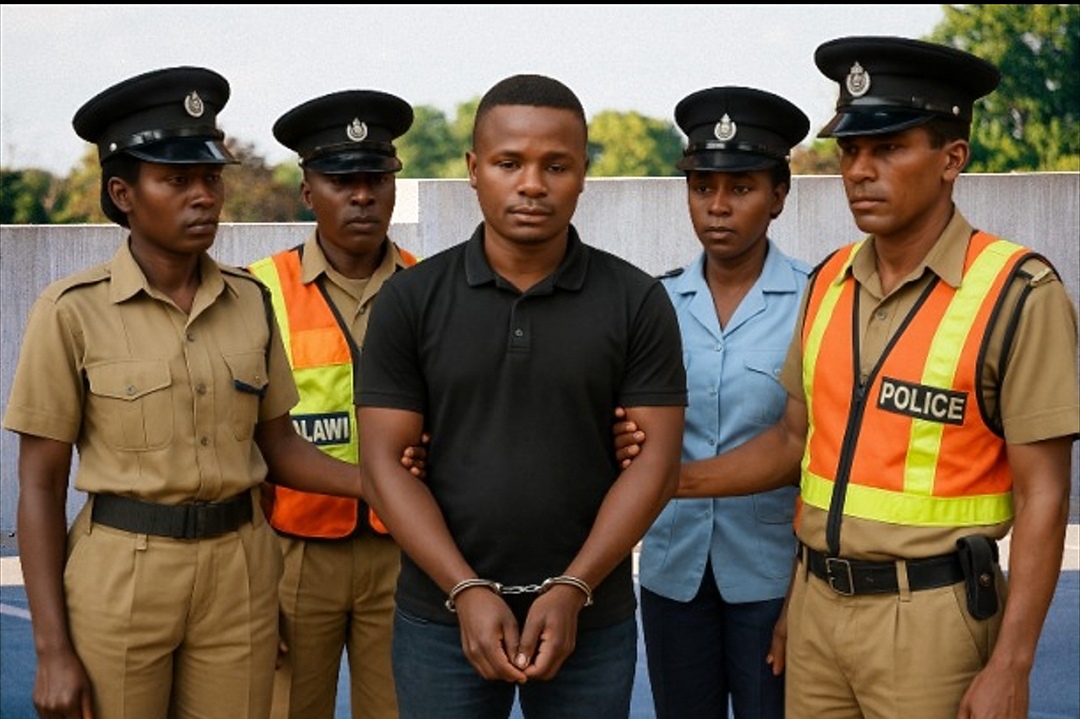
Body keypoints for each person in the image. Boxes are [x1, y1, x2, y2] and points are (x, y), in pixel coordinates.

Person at [622, 36, 1079, 718]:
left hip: (931, 618)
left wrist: (1013, 661)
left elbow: (1045, 494)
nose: (860, 171)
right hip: (815, 611)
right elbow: (793, 442)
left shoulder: (1018, 292)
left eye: (889, 148)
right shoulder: (830, 282)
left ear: (953, 158)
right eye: (851, 150)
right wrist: (800, 597)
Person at [2, 66, 372, 719]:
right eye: (176, 180)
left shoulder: (250, 300)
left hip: (240, 573)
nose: (204, 196)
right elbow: (39, 483)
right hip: (122, 572)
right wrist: (52, 649)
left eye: (211, 178)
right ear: (122, 193)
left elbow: (279, 447)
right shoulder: (71, 311)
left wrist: (376, 484)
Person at [355, 73, 687, 719]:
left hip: (590, 618)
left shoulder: (635, 300)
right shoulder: (411, 300)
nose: (532, 184)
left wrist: (573, 586)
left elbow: (656, 463)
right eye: (509, 163)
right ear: (474, 169)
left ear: (583, 173)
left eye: (555, 166)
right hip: (440, 618)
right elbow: (384, 465)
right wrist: (465, 589)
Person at [637, 86, 810, 719]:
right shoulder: (654, 305)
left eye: (741, 188)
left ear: (779, 196)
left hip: (770, 576)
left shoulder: (817, 301)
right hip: (673, 570)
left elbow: (818, 450)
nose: (717, 206)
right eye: (701, 186)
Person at [249, 89, 417, 719]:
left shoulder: (430, 288)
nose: (362, 196)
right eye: (342, 180)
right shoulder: (257, 291)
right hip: (292, 553)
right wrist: (252, 582)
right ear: (307, 191)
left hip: (404, 553)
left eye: (376, 179)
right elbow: (239, 443)